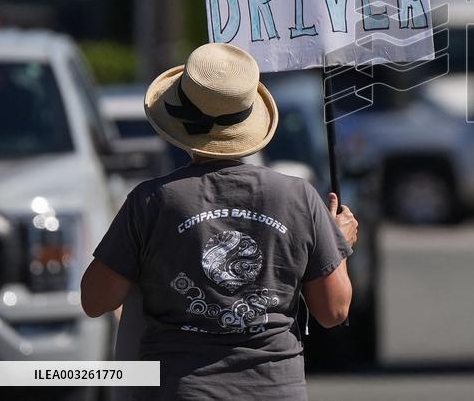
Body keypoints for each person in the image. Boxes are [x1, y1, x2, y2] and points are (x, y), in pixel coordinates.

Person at [80, 43, 358, 399]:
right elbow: (333, 311)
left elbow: (95, 299)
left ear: (179, 122)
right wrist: (340, 246)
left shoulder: (151, 201)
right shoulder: (298, 196)